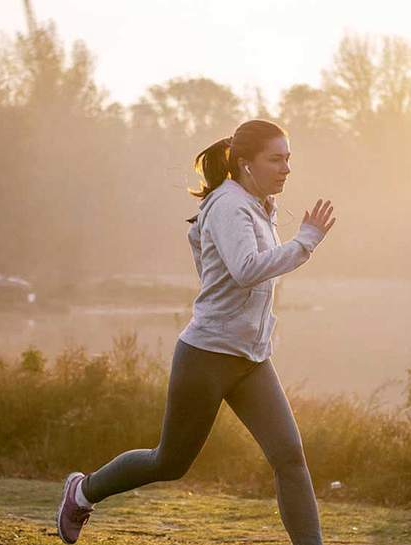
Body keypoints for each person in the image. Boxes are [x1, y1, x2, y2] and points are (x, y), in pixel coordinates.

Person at [55, 119, 336, 545]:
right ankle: (83, 490)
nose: (286, 169)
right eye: (276, 159)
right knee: (169, 462)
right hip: (207, 355)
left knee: (290, 458)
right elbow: (244, 271)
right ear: (245, 163)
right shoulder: (228, 206)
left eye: (288, 158)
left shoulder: (258, 206)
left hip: (251, 357)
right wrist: (305, 242)